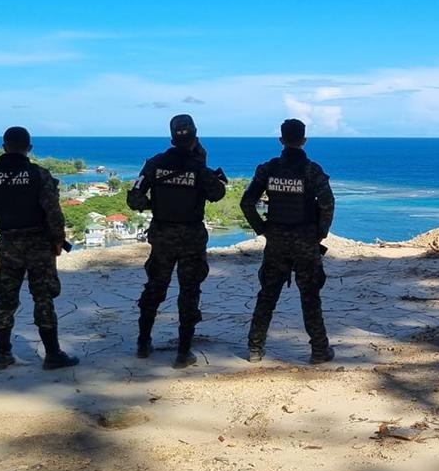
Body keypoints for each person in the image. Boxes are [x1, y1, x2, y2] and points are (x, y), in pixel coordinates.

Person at [127, 115, 228, 367]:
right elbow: (217, 193)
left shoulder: (154, 164)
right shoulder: (198, 168)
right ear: (195, 137)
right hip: (191, 238)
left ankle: (142, 343)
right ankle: (183, 352)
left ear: (172, 138)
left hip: (162, 235)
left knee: (154, 287)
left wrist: (157, 205)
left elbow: (134, 200)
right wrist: (203, 164)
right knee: (189, 291)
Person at [0, 126, 78, 371]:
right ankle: (53, 354)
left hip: (8, 243)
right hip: (38, 244)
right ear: (29, 148)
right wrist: (58, 239)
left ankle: (3, 354)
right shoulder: (38, 174)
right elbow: (53, 211)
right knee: (43, 297)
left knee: (4, 297)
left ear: (4, 147)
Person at [241, 119, 336, 364]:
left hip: (276, 242)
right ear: (304, 140)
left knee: (268, 295)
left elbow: (247, 202)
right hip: (305, 241)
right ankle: (319, 350)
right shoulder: (311, 170)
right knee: (310, 296)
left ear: (281, 140)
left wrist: (262, 229)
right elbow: (327, 204)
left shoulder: (268, 169)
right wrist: (321, 233)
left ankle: (255, 348)